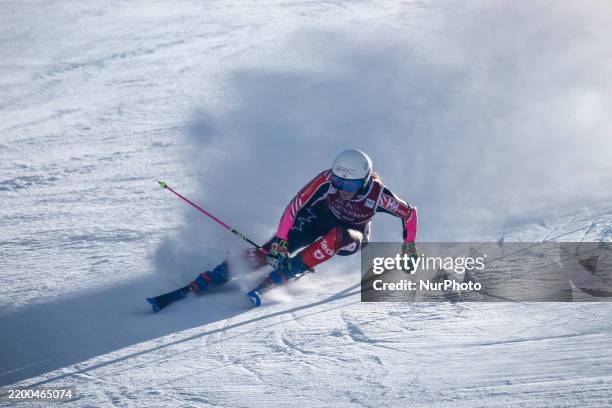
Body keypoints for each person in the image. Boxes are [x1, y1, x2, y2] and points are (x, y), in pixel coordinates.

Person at [188, 149, 418, 306]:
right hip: (318, 218)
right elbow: (294, 208)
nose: (343, 189)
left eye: (351, 184)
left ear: (365, 181)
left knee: (338, 236)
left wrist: (409, 247)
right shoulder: (326, 180)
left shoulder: (379, 195)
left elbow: (409, 213)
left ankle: (293, 269)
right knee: (272, 252)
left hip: (352, 234)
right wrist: (280, 241)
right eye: (339, 182)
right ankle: (222, 272)